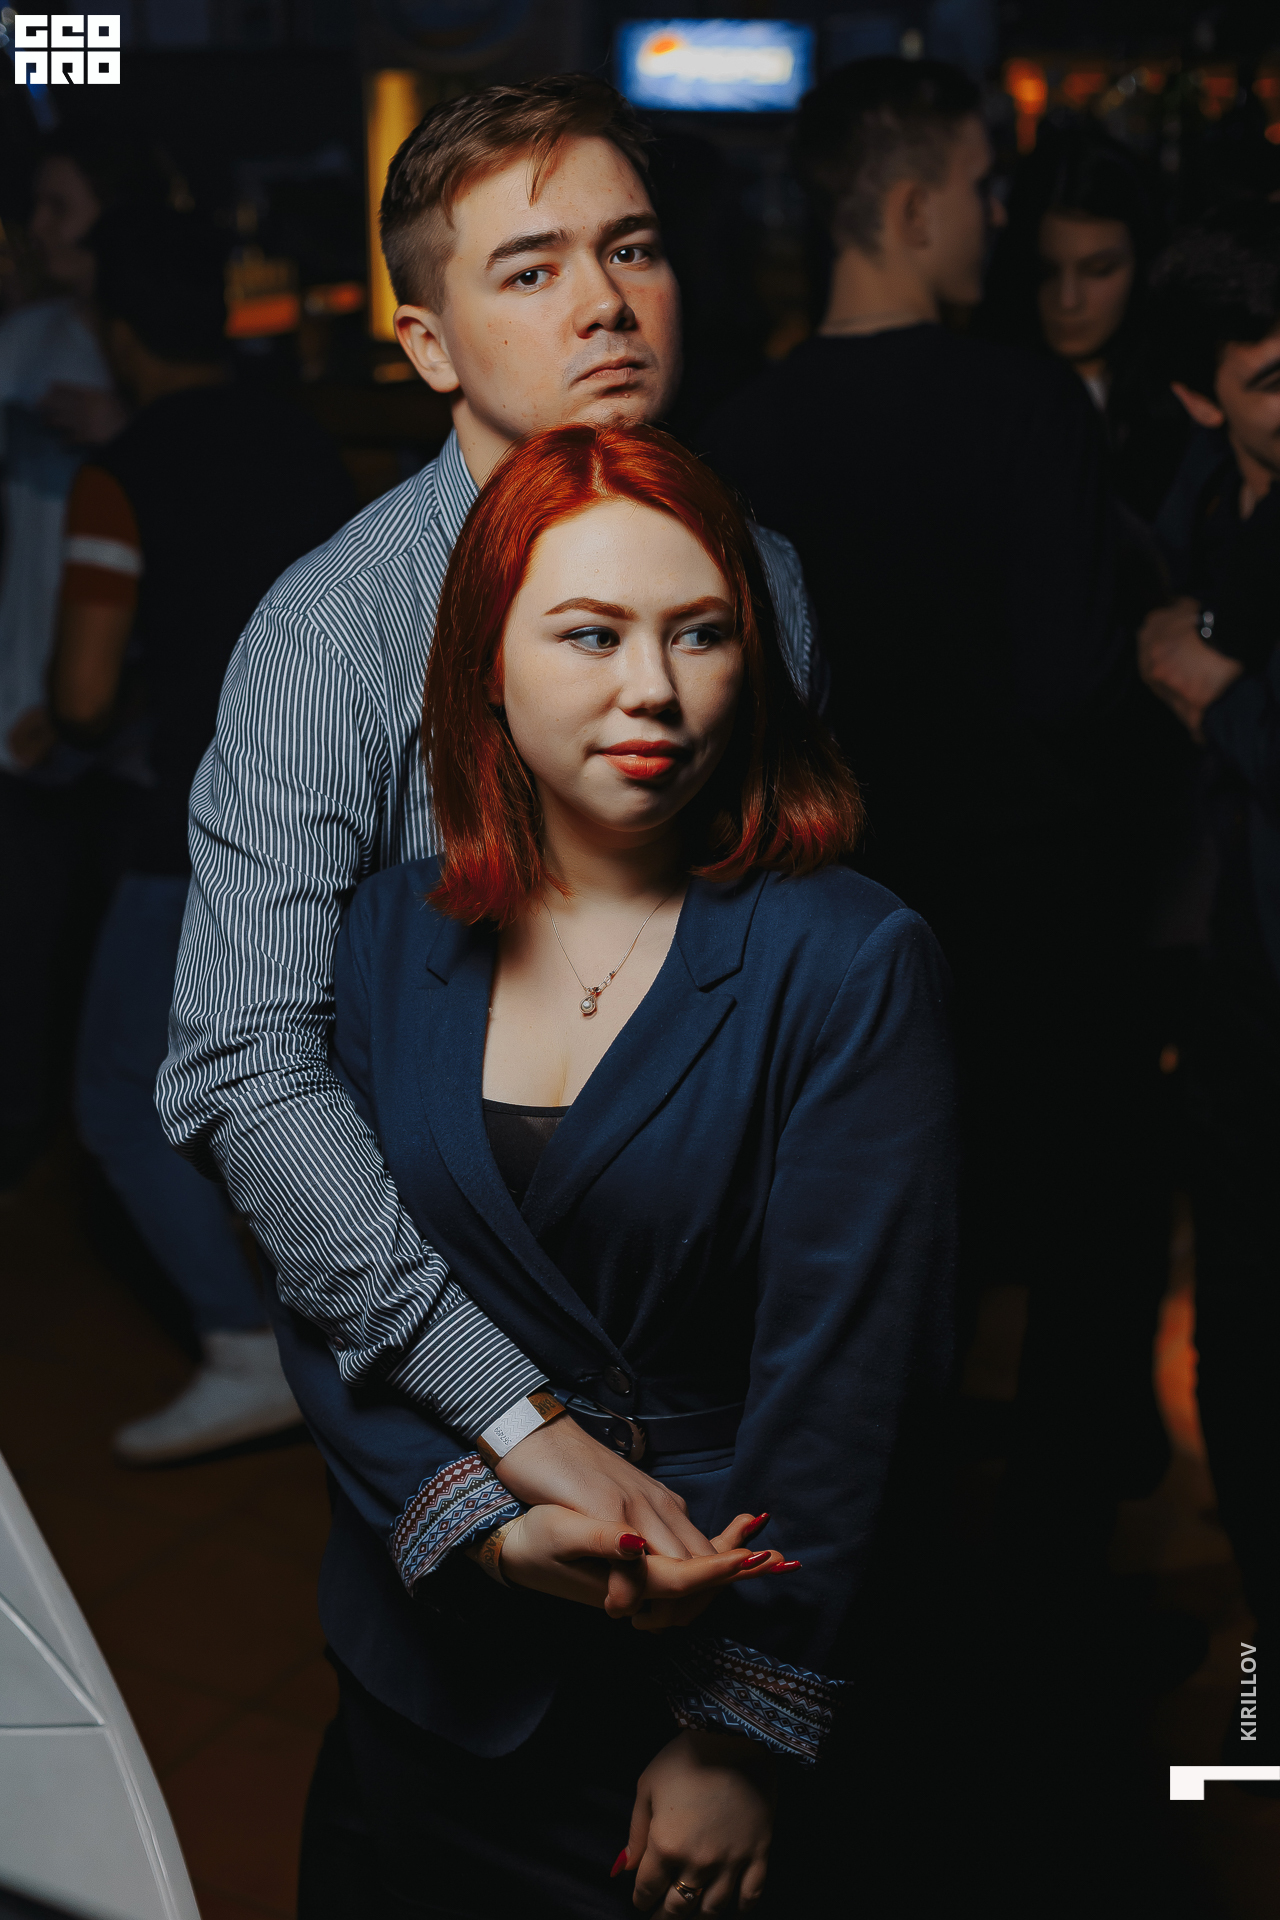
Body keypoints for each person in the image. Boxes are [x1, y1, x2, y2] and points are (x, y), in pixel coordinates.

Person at [271, 420, 956, 1916]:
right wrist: (482, 1526)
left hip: (685, 1681)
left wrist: (740, 1732)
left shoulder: (845, 958)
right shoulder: (388, 931)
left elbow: (851, 1386)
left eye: (698, 633)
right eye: (590, 633)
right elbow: (329, 1283)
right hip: (421, 1673)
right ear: (485, 666)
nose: (652, 685)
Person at [156, 78, 821, 1544]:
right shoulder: (335, 634)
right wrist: (509, 1411)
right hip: (452, 1366)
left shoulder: (760, 580)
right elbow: (244, 1061)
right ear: (428, 345)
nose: (606, 304)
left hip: (723, 1351)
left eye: (630, 249)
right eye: (531, 270)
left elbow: (779, 965)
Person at [699, 56, 1175, 1570]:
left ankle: (878, 1622)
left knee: (888, 1289)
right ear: (909, 207)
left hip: (834, 941)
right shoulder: (1021, 403)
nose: (995, 215)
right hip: (1038, 939)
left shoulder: (737, 437)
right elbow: (1067, 687)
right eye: (979, 185)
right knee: (1086, 1257)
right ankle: (1052, 1603)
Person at [46, 205, 354, 1461]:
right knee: (299, 1080)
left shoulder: (120, 475)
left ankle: (240, 1345)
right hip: (333, 805)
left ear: (120, 332)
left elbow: (80, 694)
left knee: (119, 1094)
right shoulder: (300, 437)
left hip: (195, 824)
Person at [1138, 201, 1280, 1760]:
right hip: (1232, 996)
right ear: (1199, 396)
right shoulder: (1188, 498)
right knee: (1237, 1355)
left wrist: (1217, 689)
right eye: (1272, 378)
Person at [0, 129, 162, 1191]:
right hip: (29, 701)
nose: (39, 227)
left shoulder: (163, 361)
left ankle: (110, 1163)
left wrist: (128, 428)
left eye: (62, 207)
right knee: (29, 946)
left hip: (139, 724)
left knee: (114, 956)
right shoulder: (29, 339)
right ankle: (36, 1150)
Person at [980, 118, 1188, 521]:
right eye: (1046, 271)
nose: (1068, 301)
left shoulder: (1184, 400)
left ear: (1143, 264)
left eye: (1099, 270)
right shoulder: (988, 398)